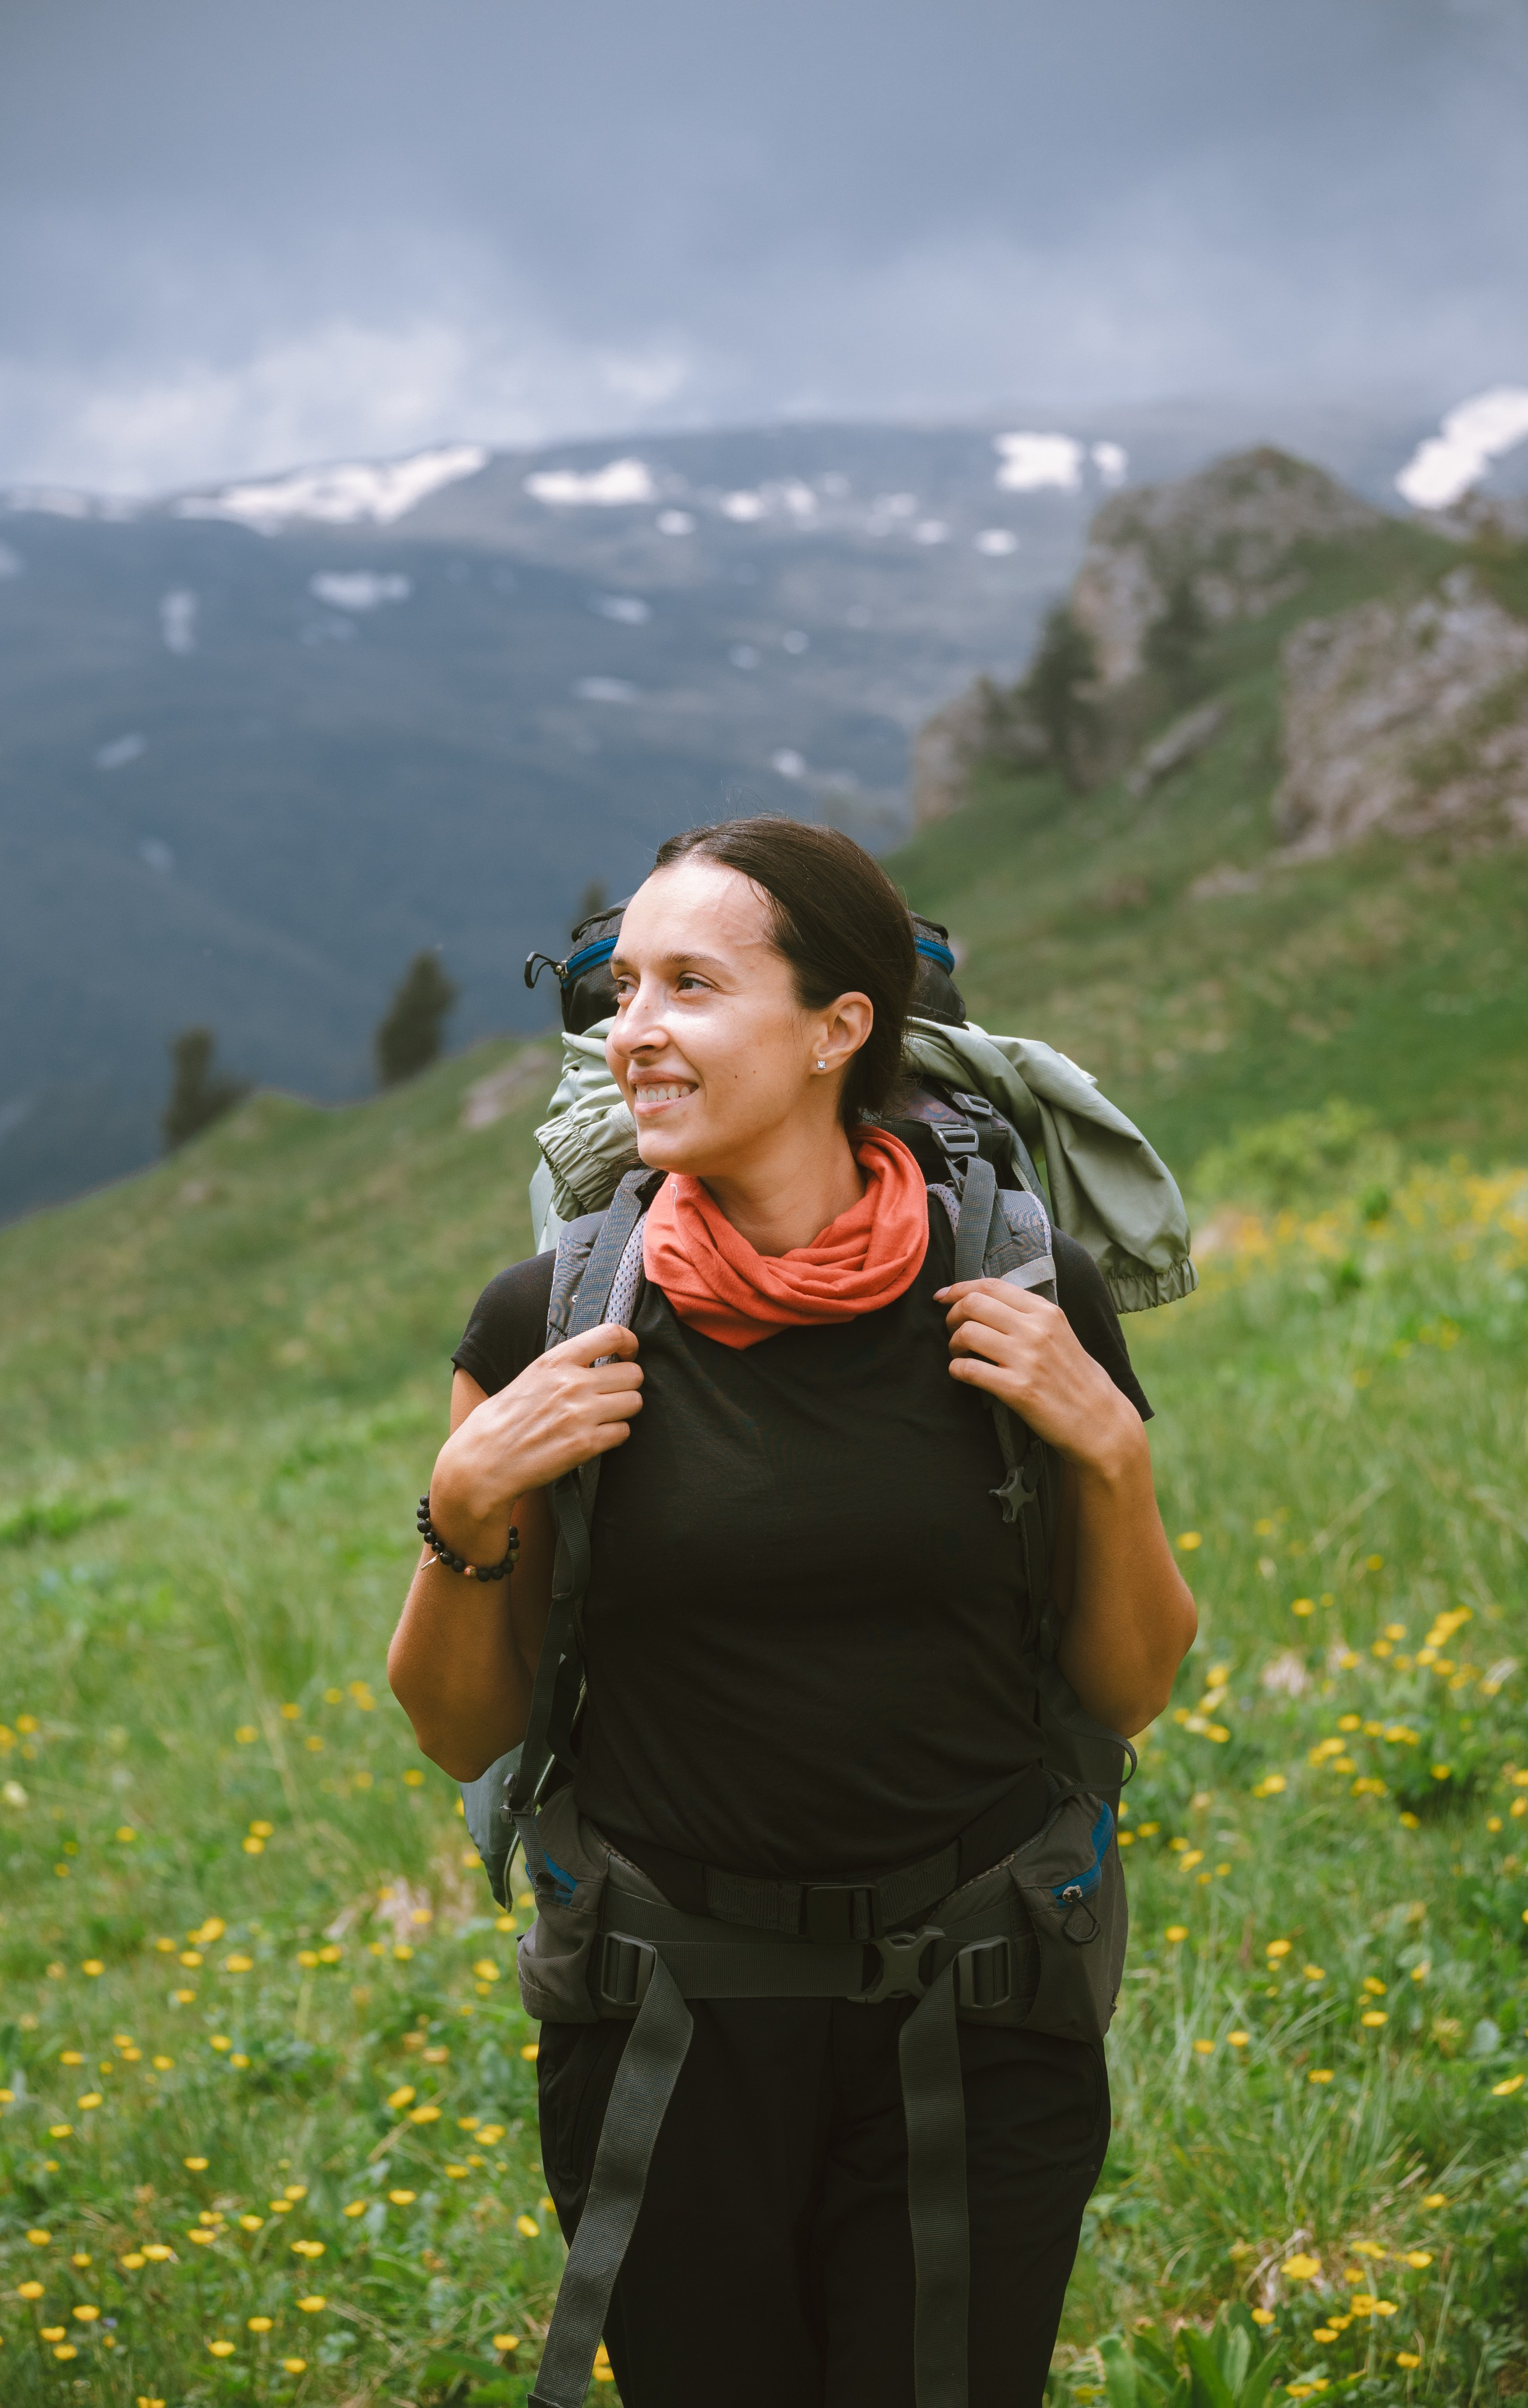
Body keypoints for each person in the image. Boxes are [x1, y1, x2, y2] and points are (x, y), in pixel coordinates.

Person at [388, 816, 1197, 2407]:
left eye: (693, 984)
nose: (636, 1029)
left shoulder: (1026, 1295)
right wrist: (463, 1510)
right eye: (623, 989)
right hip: (664, 2021)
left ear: (841, 1029)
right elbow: (455, 1724)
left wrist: (1108, 1452)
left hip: (979, 2007)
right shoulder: (546, 1317)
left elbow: (1128, 1684)